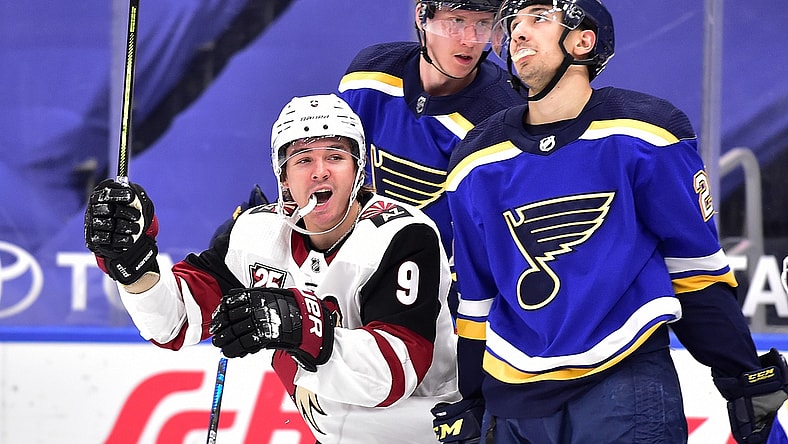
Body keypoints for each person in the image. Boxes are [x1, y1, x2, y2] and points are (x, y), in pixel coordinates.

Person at [430, 1, 788, 443]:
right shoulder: (474, 159)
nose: (519, 32)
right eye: (514, 23)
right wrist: (472, 397)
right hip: (513, 398)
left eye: (539, 18)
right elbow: (476, 296)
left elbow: (695, 273)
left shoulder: (646, 133)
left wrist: (742, 376)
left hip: (623, 383)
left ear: (584, 40)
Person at [84, 94, 459, 444]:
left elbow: (392, 375)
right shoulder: (256, 234)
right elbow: (173, 324)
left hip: (426, 430)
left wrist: (302, 326)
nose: (320, 172)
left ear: (359, 170)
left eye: (335, 157)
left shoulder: (403, 236)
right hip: (336, 433)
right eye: (303, 160)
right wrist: (134, 265)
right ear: (283, 177)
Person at [337, 0, 524, 258]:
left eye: (483, 23)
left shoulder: (507, 116)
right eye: (457, 21)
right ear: (422, 16)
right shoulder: (369, 74)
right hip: (360, 266)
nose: (470, 40)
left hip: (451, 285)